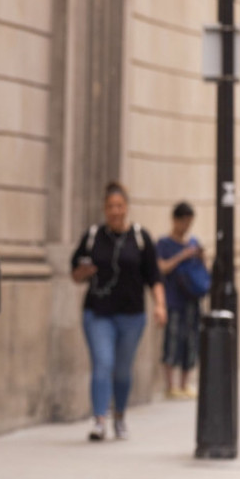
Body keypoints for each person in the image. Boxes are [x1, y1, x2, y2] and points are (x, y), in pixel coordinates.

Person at [71, 181, 166, 441]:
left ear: (126, 208)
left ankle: (120, 416)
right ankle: (100, 419)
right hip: (98, 313)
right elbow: (75, 274)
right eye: (110, 207)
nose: (115, 211)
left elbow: (154, 277)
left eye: (119, 206)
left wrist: (160, 305)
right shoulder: (92, 237)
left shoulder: (140, 238)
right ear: (104, 209)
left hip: (132, 315)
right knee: (103, 364)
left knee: (122, 370)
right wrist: (84, 272)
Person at [156, 201, 205, 399]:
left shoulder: (194, 242)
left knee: (191, 340)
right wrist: (182, 256)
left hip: (191, 299)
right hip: (173, 299)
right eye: (183, 221)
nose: (186, 226)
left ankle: (185, 383)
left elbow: (203, 270)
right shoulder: (164, 244)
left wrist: (200, 257)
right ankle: (170, 385)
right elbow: (161, 268)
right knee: (173, 340)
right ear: (175, 220)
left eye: (189, 222)